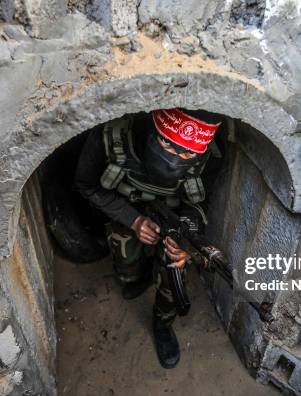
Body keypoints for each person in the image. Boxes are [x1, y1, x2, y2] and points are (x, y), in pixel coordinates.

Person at [74, 108, 220, 368]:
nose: (174, 160)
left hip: (171, 214)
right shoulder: (111, 137)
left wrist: (187, 235)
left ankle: (163, 324)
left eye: (187, 153)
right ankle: (137, 277)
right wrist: (133, 219)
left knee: (174, 269)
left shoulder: (208, 158)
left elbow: (200, 203)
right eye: (167, 144)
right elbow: (86, 185)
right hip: (124, 208)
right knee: (126, 262)